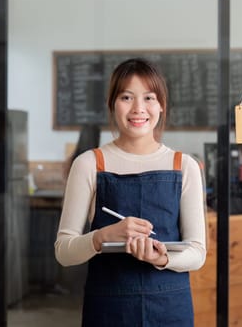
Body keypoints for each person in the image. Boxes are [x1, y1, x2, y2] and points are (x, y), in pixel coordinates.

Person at [55, 58, 206, 327]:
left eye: (149, 98)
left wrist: (159, 257)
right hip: (108, 308)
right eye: (127, 97)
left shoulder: (184, 166)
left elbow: (197, 253)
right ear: (112, 104)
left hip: (170, 308)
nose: (139, 108)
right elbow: (64, 252)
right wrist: (103, 236)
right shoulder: (89, 163)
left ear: (161, 105)